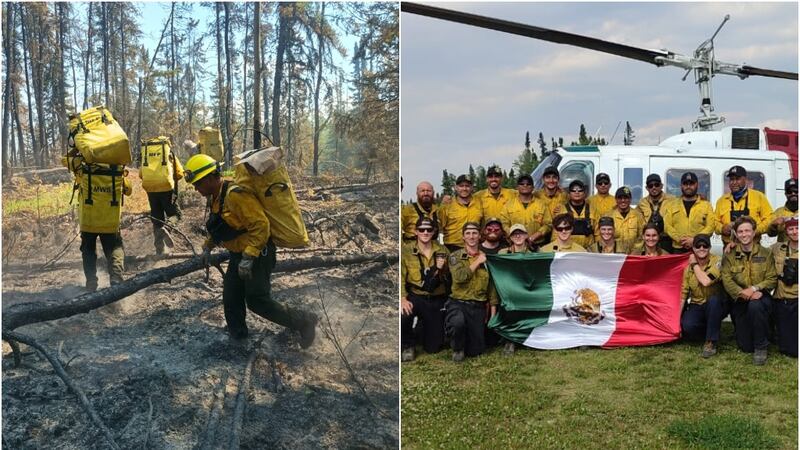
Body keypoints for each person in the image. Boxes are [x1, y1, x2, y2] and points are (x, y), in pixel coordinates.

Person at [184, 154, 317, 346]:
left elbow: (261, 225)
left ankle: (304, 321)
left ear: (211, 178)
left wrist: (250, 255)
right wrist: (207, 247)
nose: (196, 189)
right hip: (239, 255)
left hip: (259, 253)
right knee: (231, 297)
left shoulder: (235, 195)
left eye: (198, 183)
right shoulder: (215, 198)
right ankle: (238, 338)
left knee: (257, 301)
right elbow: (224, 226)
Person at [721, 216, 777, 365]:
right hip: (740, 299)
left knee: (756, 305)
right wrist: (742, 292)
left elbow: (772, 278)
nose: (744, 234)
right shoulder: (729, 254)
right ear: (736, 234)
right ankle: (760, 335)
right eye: (740, 231)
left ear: (754, 233)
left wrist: (754, 289)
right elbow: (726, 279)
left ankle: (761, 347)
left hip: (761, 297)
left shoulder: (766, 253)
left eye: (747, 231)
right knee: (745, 346)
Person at [445, 222, 498, 361]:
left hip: (478, 305)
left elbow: (491, 287)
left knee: (477, 351)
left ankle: (469, 342)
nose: (471, 236)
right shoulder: (455, 256)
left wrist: (492, 313)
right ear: (463, 237)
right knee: (458, 323)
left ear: (480, 236)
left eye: (474, 233)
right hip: (458, 303)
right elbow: (459, 277)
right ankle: (457, 348)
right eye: (468, 233)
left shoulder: (487, 258)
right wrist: (477, 262)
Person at [401, 218, 451, 362]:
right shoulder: (406, 250)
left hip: (436, 298)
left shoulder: (442, 250)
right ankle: (407, 345)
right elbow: (400, 276)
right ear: (416, 231)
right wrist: (402, 298)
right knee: (404, 313)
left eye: (429, 230)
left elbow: (450, 277)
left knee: (433, 348)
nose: (425, 232)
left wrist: (442, 270)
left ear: (434, 231)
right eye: (422, 229)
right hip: (416, 296)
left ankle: (422, 330)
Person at [80, 168, 133, 291]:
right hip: (110, 220)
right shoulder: (116, 168)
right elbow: (129, 190)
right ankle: (116, 278)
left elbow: (66, 161)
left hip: (88, 220)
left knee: (88, 251)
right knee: (115, 248)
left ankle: (91, 282)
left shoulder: (83, 167)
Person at [680, 234, 725, 358]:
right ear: (693, 249)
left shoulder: (718, 261)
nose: (701, 248)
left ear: (710, 247)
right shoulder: (687, 269)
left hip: (716, 304)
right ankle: (710, 330)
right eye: (698, 246)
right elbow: (683, 295)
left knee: (714, 301)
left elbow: (705, 281)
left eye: (705, 245)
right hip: (697, 304)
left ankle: (711, 341)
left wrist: (694, 265)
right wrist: (676, 321)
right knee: (688, 327)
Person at [140, 140, 185, 255]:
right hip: (167, 190)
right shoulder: (169, 153)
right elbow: (180, 174)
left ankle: (159, 250)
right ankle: (167, 229)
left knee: (157, 219)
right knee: (176, 214)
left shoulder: (146, 155)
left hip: (151, 190)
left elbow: (141, 175)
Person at [715, 165, 772, 252]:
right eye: (731, 179)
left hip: (753, 248)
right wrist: (722, 228)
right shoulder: (721, 201)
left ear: (745, 180)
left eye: (737, 179)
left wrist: (753, 231)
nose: (734, 182)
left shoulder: (759, 197)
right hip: (730, 249)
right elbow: (714, 222)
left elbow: (769, 219)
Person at [663, 172, 716, 254]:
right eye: (685, 183)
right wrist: (680, 239)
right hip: (678, 249)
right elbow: (667, 226)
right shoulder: (672, 205)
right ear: (681, 185)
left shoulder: (706, 205)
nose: (688, 186)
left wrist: (695, 240)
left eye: (691, 183)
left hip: (700, 248)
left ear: (697, 185)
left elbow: (711, 226)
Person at [769, 216, 798, 357]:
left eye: (797, 228)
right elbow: (756, 250)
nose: (794, 232)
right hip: (782, 299)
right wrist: (733, 244)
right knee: (788, 349)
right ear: (786, 232)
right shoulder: (777, 248)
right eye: (791, 229)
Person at [500, 174, 552, 250]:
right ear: (517, 187)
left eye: (528, 184)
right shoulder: (508, 205)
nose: (525, 185)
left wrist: (533, 237)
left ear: (533, 187)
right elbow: (504, 224)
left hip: (537, 245)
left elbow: (548, 224)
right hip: (514, 246)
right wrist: (516, 237)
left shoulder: (542, 205)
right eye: (522, 184)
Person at [438, 175, 483, 251]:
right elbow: (439, 226)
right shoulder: (447, 205)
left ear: (472, 187)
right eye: (461, 186)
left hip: (475, 246)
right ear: (455, 187)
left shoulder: (479, 203)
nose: (464, 189)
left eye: (467, 186)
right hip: (452, 246)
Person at [556, 179, 597, 248]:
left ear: (584, 193)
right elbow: (555, 232)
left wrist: (597, 248)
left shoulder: (593, 210)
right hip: (568, 249)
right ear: (569, 194)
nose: (577, 192)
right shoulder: (561, 210)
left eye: (580, 190)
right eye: (573, 190)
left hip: (589, 250)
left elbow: (598, 232)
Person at [637, 174, 673, 251]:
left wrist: (699, 196)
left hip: (666, 240)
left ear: (661, 186)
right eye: (650, 186)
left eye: (656, 185)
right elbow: (637, 220)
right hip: (649, 241)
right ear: (647, 188)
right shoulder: (642, 203)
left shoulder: (672, 200)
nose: (654, 187)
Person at [767, 178, 798, 243]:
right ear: (785, 194)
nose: (793, 193)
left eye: (796, 191)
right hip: (784, 251)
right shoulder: (778, 212)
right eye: (789, 192)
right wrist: (773, 225)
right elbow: (770, 234)